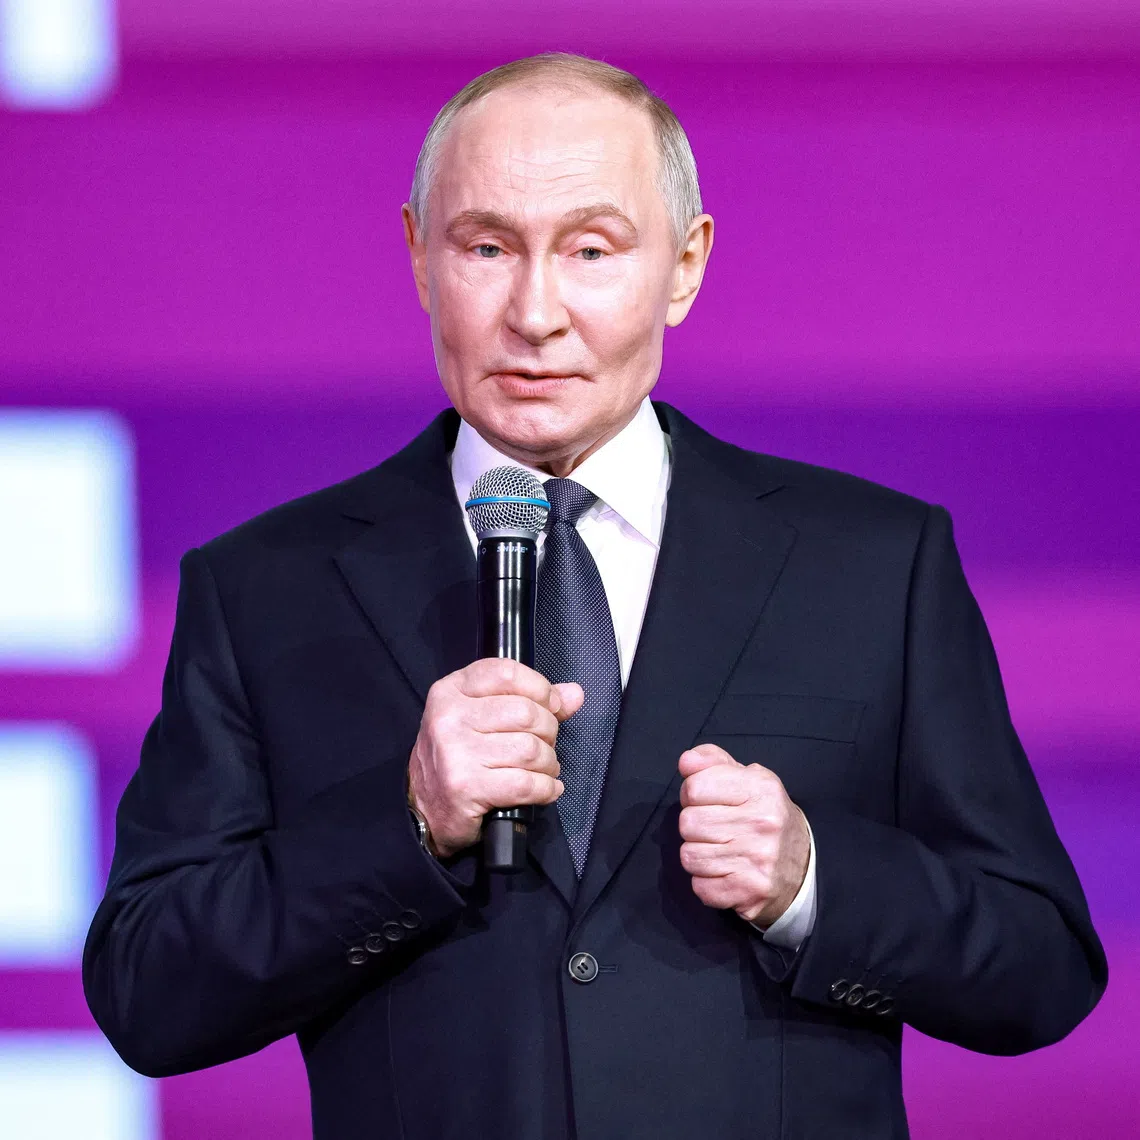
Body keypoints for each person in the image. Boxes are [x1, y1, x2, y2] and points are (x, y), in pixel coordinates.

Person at [83, 53, 1106, 1140]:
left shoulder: (874, 563)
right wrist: (408, 827)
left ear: (685, 264)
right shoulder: (265, 586)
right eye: (486, 247)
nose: (535, 312)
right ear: (421, 260)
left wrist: (812, 882)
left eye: (591, 250)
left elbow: (1039, 965)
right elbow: (151, 990)